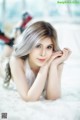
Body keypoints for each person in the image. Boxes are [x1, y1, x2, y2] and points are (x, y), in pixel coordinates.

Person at [3, 21, 71, 102]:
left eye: (49, 47)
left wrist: (53, 65)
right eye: (38, 46)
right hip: (4, 67)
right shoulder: (17, 61)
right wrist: (45, 66)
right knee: (6, 54)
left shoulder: (56, 62)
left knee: (14, 44)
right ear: (29, 45)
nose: (43, 54)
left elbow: (53, 97)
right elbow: (28, 98)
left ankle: (18, 32)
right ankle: (15, 33)